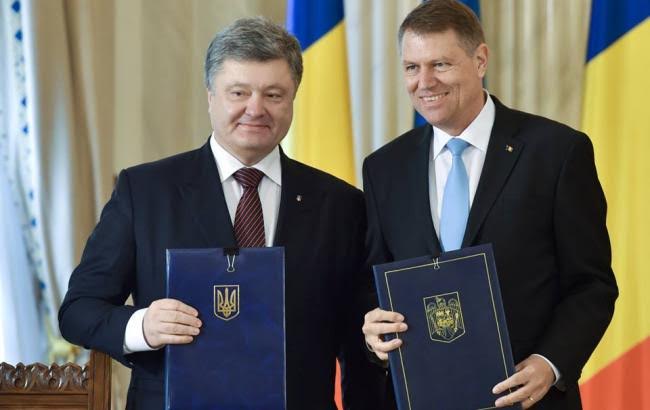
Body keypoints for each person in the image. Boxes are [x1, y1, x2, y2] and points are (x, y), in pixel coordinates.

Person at [59, 17, 386, 410]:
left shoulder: (341, 204)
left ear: (293, 98)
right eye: (239, 92)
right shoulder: (145, 191)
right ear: (211, 96)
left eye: (273, 94)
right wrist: (142, 326)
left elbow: (359, 335)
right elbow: (79, 311)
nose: (255, 109)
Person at [360, 1, 618, 409]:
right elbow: (374, 283)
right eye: (412, 67)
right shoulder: (384, 168)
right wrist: (373, 331)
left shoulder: (556, 152)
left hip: (529, 399)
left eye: (440, 64)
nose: (424, 82)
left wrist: (550, 364)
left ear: (480, 60)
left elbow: (592, 285)